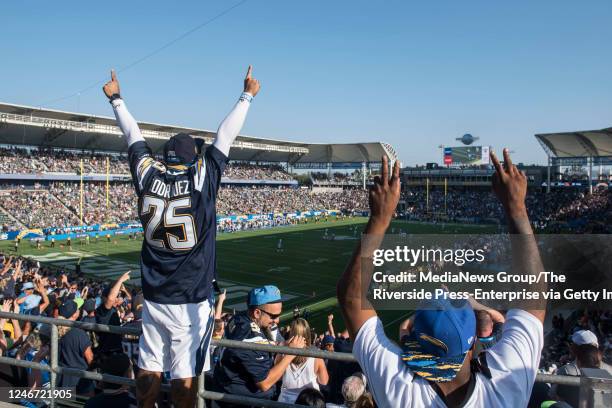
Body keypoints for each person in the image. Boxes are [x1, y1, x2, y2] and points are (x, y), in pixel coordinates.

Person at [337, 151, 547, 407]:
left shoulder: (398, 390)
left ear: (413, 347)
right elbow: (533, 292)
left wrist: (379, 219)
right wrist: (516, 208)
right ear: (473, 349)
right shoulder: (508, 385)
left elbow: (350, 297)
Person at [103, 65, 260, 408]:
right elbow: (225, 137)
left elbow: (133, 136)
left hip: (154, 295)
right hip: (190, 299)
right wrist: (247, 95)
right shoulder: (201, 180)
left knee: (148, 369)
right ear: (191, 159)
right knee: (186, 381)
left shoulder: (146, 176)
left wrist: (116, 98)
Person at [212, 285, 305, 407]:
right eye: (273, 316)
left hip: (228, 390)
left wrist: (281, 344)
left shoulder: (240, 317)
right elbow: (264, 383)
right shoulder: (250, 337)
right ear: (257, 313)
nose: (277, 320)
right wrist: (291, 353)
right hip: (239, 402)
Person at [277, 318, 329, 403]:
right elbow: (324, 381)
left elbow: (277, 378)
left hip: (285, 402)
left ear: (291, 333)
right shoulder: (317, 356)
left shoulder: (282, 354)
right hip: (309, 403)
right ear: (308, 334)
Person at [57, 300, 94, 395]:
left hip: (60, 379)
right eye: (77, 309)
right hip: (80, 381)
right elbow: (90, 359)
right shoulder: (79, 333)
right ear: (74, 314)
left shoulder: (54, 329)